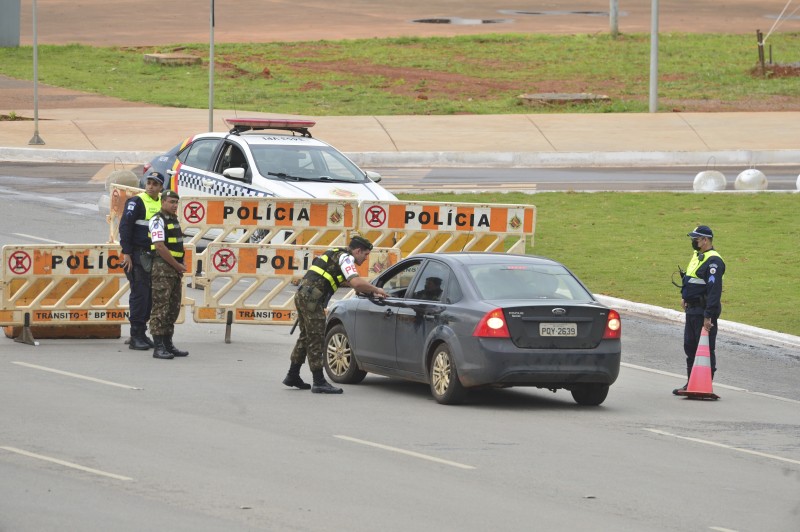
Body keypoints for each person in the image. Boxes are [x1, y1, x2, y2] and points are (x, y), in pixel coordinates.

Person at [284, 235, 389, 394]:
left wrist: (368, 291)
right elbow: (356, 282)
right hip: (312, 299)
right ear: (358, 250)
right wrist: (376, 290)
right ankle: (318, 381)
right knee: (316, 337)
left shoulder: (336, 253)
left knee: (306, 336)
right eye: (365, 254)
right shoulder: (346, 259)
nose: (366, 258)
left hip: (304, 295)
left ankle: (292, 375)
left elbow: (346, 281)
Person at [673, 225, 726, 395]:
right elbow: (691, 279)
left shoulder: (714, 261)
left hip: (703, 312)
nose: (693, 241)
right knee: (690, 346)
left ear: (705, 240)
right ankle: (691, 383)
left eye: (695, 238)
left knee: (704, 349)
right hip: (692, 309)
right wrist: (684, 296)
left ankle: (704, 385)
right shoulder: (698, 256)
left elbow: (714, 290)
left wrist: (708, 315)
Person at [119, 171, 163, 350]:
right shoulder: (136, 201)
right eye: (149, 182)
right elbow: (125, 227)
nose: (151, 186)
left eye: (155, 183)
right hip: (137, 255)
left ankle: (142, 333)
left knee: (150, 297)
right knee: (139, 295)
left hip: (153, 255)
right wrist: (127, 253)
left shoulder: (162, 202)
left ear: (161, 187)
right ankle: (135, 335)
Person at [148, 190, 189, 360]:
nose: (174, 205)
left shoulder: (174, 220)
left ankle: (168, 343)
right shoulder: (157, 220)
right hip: (162, 269)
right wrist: (177, 265)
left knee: (172, 308)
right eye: (171, 202)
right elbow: (160, 246)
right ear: (163, 202)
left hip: (174, 270)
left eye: (176, 203)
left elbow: (177, 246)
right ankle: (158, 347)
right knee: (161, 308)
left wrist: (181, 264)